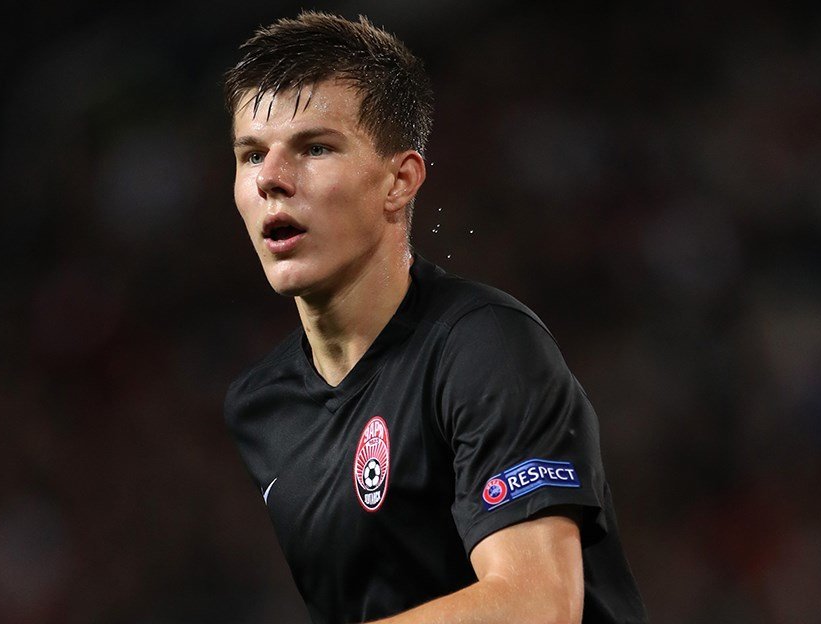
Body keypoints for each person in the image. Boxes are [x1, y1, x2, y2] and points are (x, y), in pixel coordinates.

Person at [223, 11, 648, 624]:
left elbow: (538, 603)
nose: (271, 179)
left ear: (400, 181)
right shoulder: (262, 406)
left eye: (315, 148)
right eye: (251, 154)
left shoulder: (485, 348)